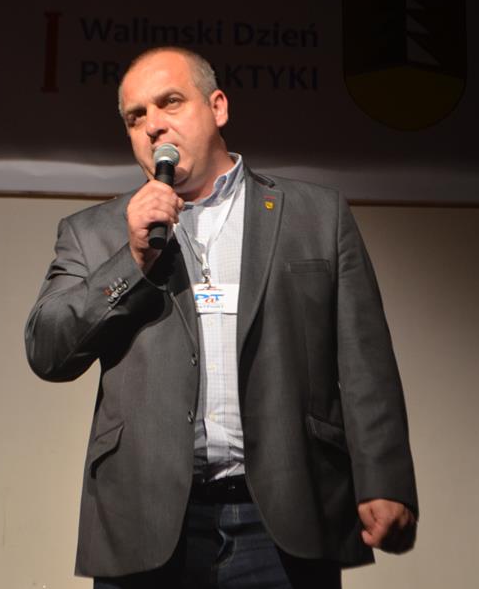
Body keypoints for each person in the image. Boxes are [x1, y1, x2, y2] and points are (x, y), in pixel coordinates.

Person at [24, 47, 417, 588]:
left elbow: (364, 359)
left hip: (283, 513)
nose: (153, 125)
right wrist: (130, 261)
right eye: (136, 116)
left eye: (170, 102)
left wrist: (385, 478)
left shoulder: (316, 215)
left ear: (218, 107)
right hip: (146, 518)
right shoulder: (94, 232)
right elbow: (48, 351)